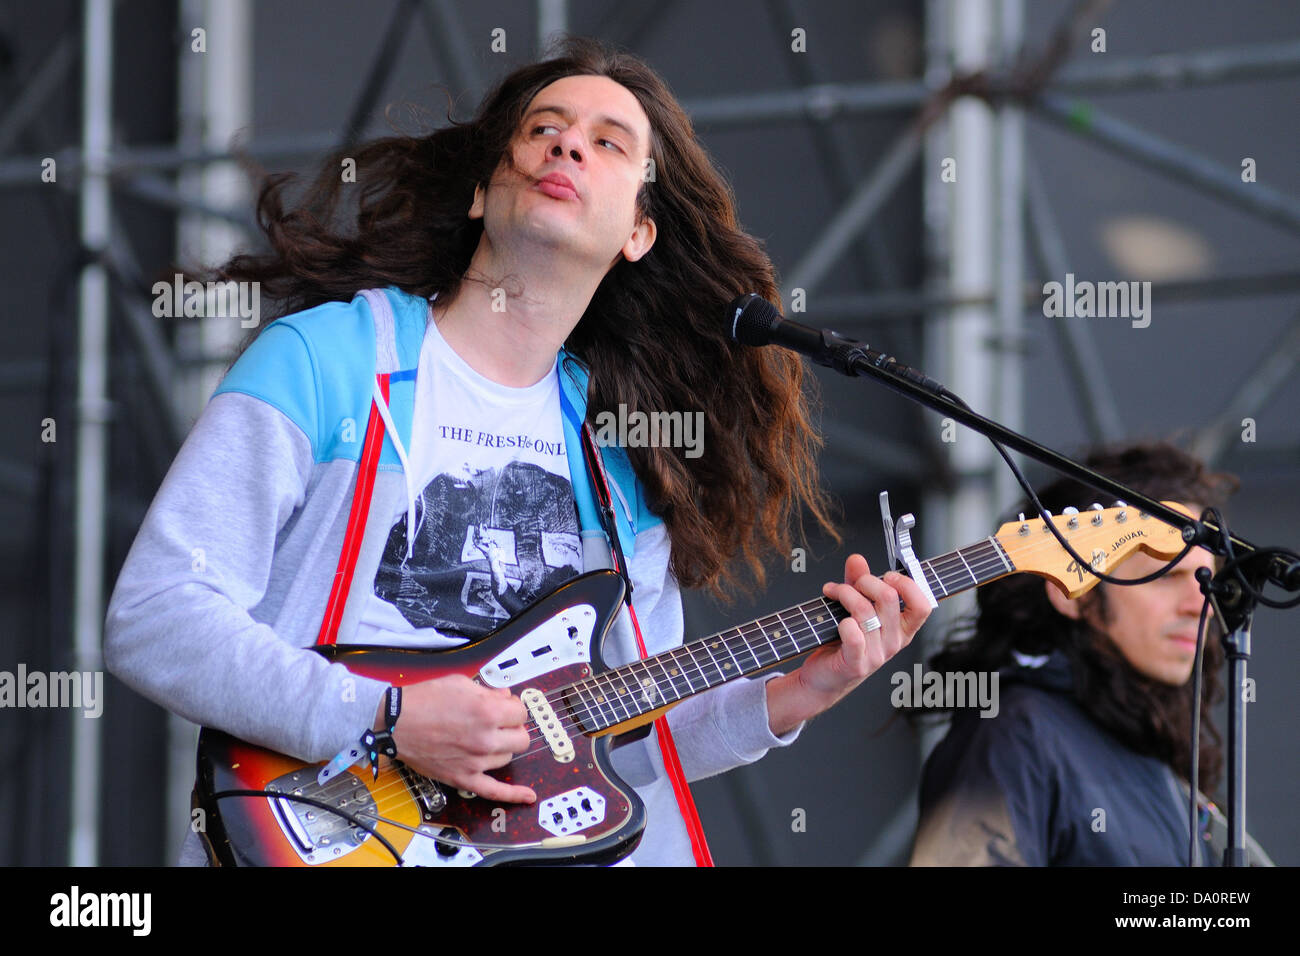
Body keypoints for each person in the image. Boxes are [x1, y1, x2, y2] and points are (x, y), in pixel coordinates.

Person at [105, 37, 932, 866]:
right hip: (318, 834)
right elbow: (157, 615)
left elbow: (620, 745)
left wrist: (792, 696)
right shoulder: (326, 360)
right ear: (480, 193)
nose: (568, 143)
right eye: (544, 127)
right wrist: (386, 715)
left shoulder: (617, 457)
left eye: (610, 142)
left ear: (638, 233)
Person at [909, 441, 1271, 866]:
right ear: (1072, 593)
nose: (1199, 604)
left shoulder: (1157, 760)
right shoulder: (1013, 734)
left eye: (1204, 580)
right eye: (1166, 576)